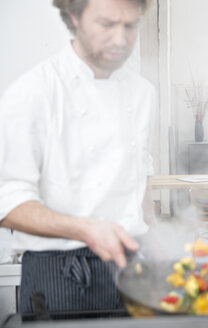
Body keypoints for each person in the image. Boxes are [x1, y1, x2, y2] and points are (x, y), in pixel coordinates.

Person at [0, 0, 155, 313]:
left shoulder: (143, 93)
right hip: (58, 273)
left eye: (130, 25)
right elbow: (8, 203)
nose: (121, 39)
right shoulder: (33, 92)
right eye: (107, 24)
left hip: (129, 267)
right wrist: (86, 229)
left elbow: (140, 178)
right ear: (74, 17)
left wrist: (159, 237)